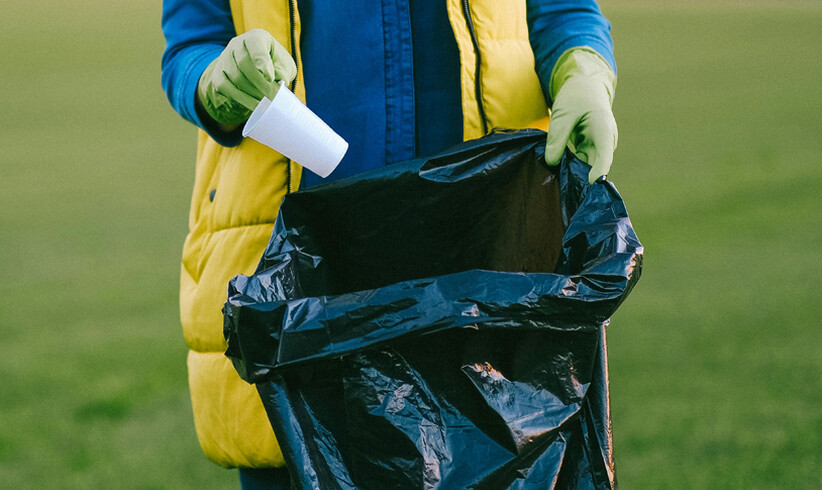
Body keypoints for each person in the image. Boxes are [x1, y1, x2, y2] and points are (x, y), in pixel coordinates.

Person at [162, 1, 617, 487]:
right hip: (306, 283)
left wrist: (582, 70)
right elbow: (192, 44)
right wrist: (217, 81)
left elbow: (564, 12)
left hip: (488, 260)